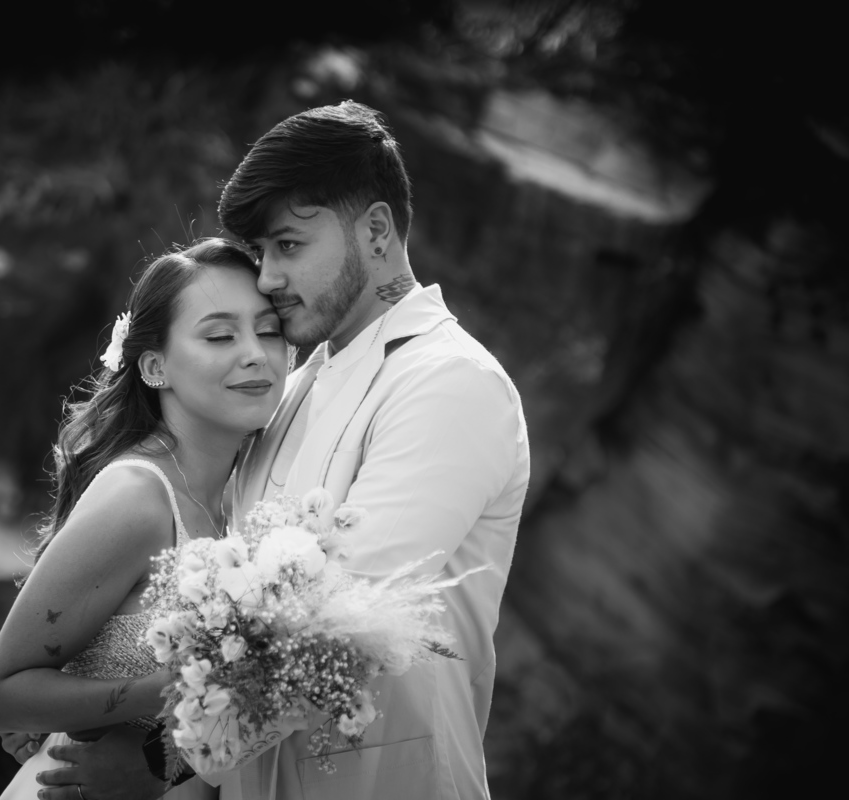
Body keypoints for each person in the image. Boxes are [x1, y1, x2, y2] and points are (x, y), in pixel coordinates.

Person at [34, 100, 530, 800]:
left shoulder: (451, 382)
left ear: (376, 231)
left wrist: (161, 762)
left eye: (289, 245)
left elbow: (339, 621)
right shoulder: (289, 390)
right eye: (262, 251)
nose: (267, 276)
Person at [0, 238, 289, 800]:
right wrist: (165, 691)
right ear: (154, 366)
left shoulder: (248, 494)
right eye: (220, 336)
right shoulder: (138, 497)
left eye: (268, 331)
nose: (255, 354)